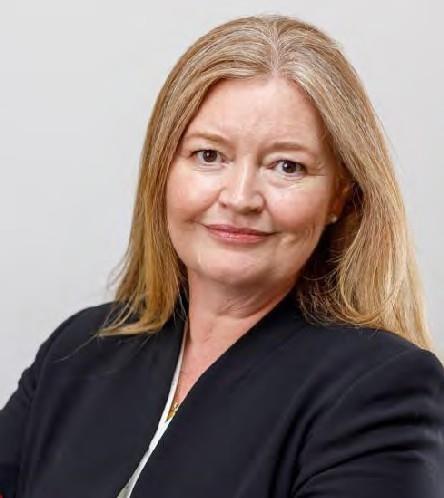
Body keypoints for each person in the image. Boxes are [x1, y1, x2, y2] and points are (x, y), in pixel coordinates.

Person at [1, 13, 443, 498]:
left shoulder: (380, 389)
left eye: (287, 166)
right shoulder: (79, 350)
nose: (240, 197)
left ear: (340, 195)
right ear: (163, 171)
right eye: (209, 156)